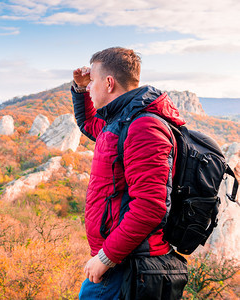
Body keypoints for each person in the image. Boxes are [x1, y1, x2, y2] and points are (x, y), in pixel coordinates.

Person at [71, 47, 188, 299]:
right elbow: (88, 124)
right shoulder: (121, 121)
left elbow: (150, 205)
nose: (89, 89)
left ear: (109, 83)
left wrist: (106, 257)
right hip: (121, 260)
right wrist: (79, 88)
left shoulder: (143, 126)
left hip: (127, 266)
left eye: (92, 83)